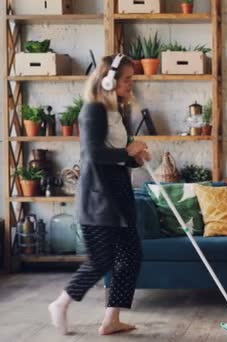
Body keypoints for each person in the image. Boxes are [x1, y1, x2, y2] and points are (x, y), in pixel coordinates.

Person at [48, 54, 151, 336]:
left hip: (120, 191)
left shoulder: (119, 111)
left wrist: (135, 159)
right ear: (109, 80)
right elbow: (93, 155)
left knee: (131, 255)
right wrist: (127, 152)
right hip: (98, 196)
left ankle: (111, 319)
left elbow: (117, 157)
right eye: (127, 79)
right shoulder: (93, 111)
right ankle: (61, 303)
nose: (132, 84)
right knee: (102, 260)